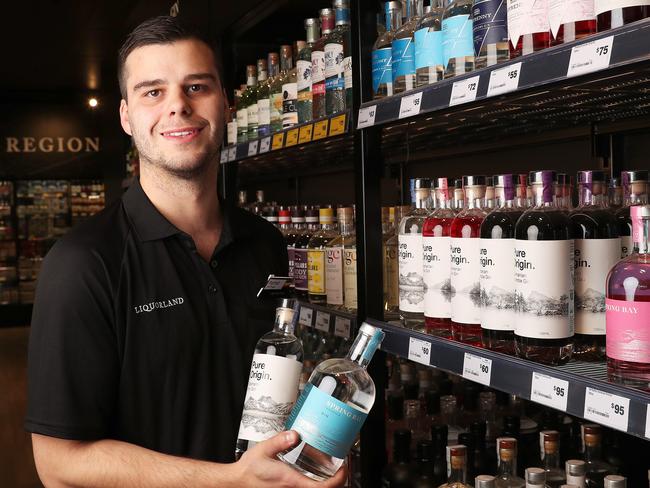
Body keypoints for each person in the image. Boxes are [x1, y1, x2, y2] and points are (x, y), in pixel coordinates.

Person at [25, 15, 346, 488]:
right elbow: (58, 463)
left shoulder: (266, 244)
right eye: (152, 91)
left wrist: (306, 453)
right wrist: (231, 480)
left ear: (227, 104)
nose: (178, 106)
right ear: (126, 116)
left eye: (197, 86)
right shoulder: (83, 263)